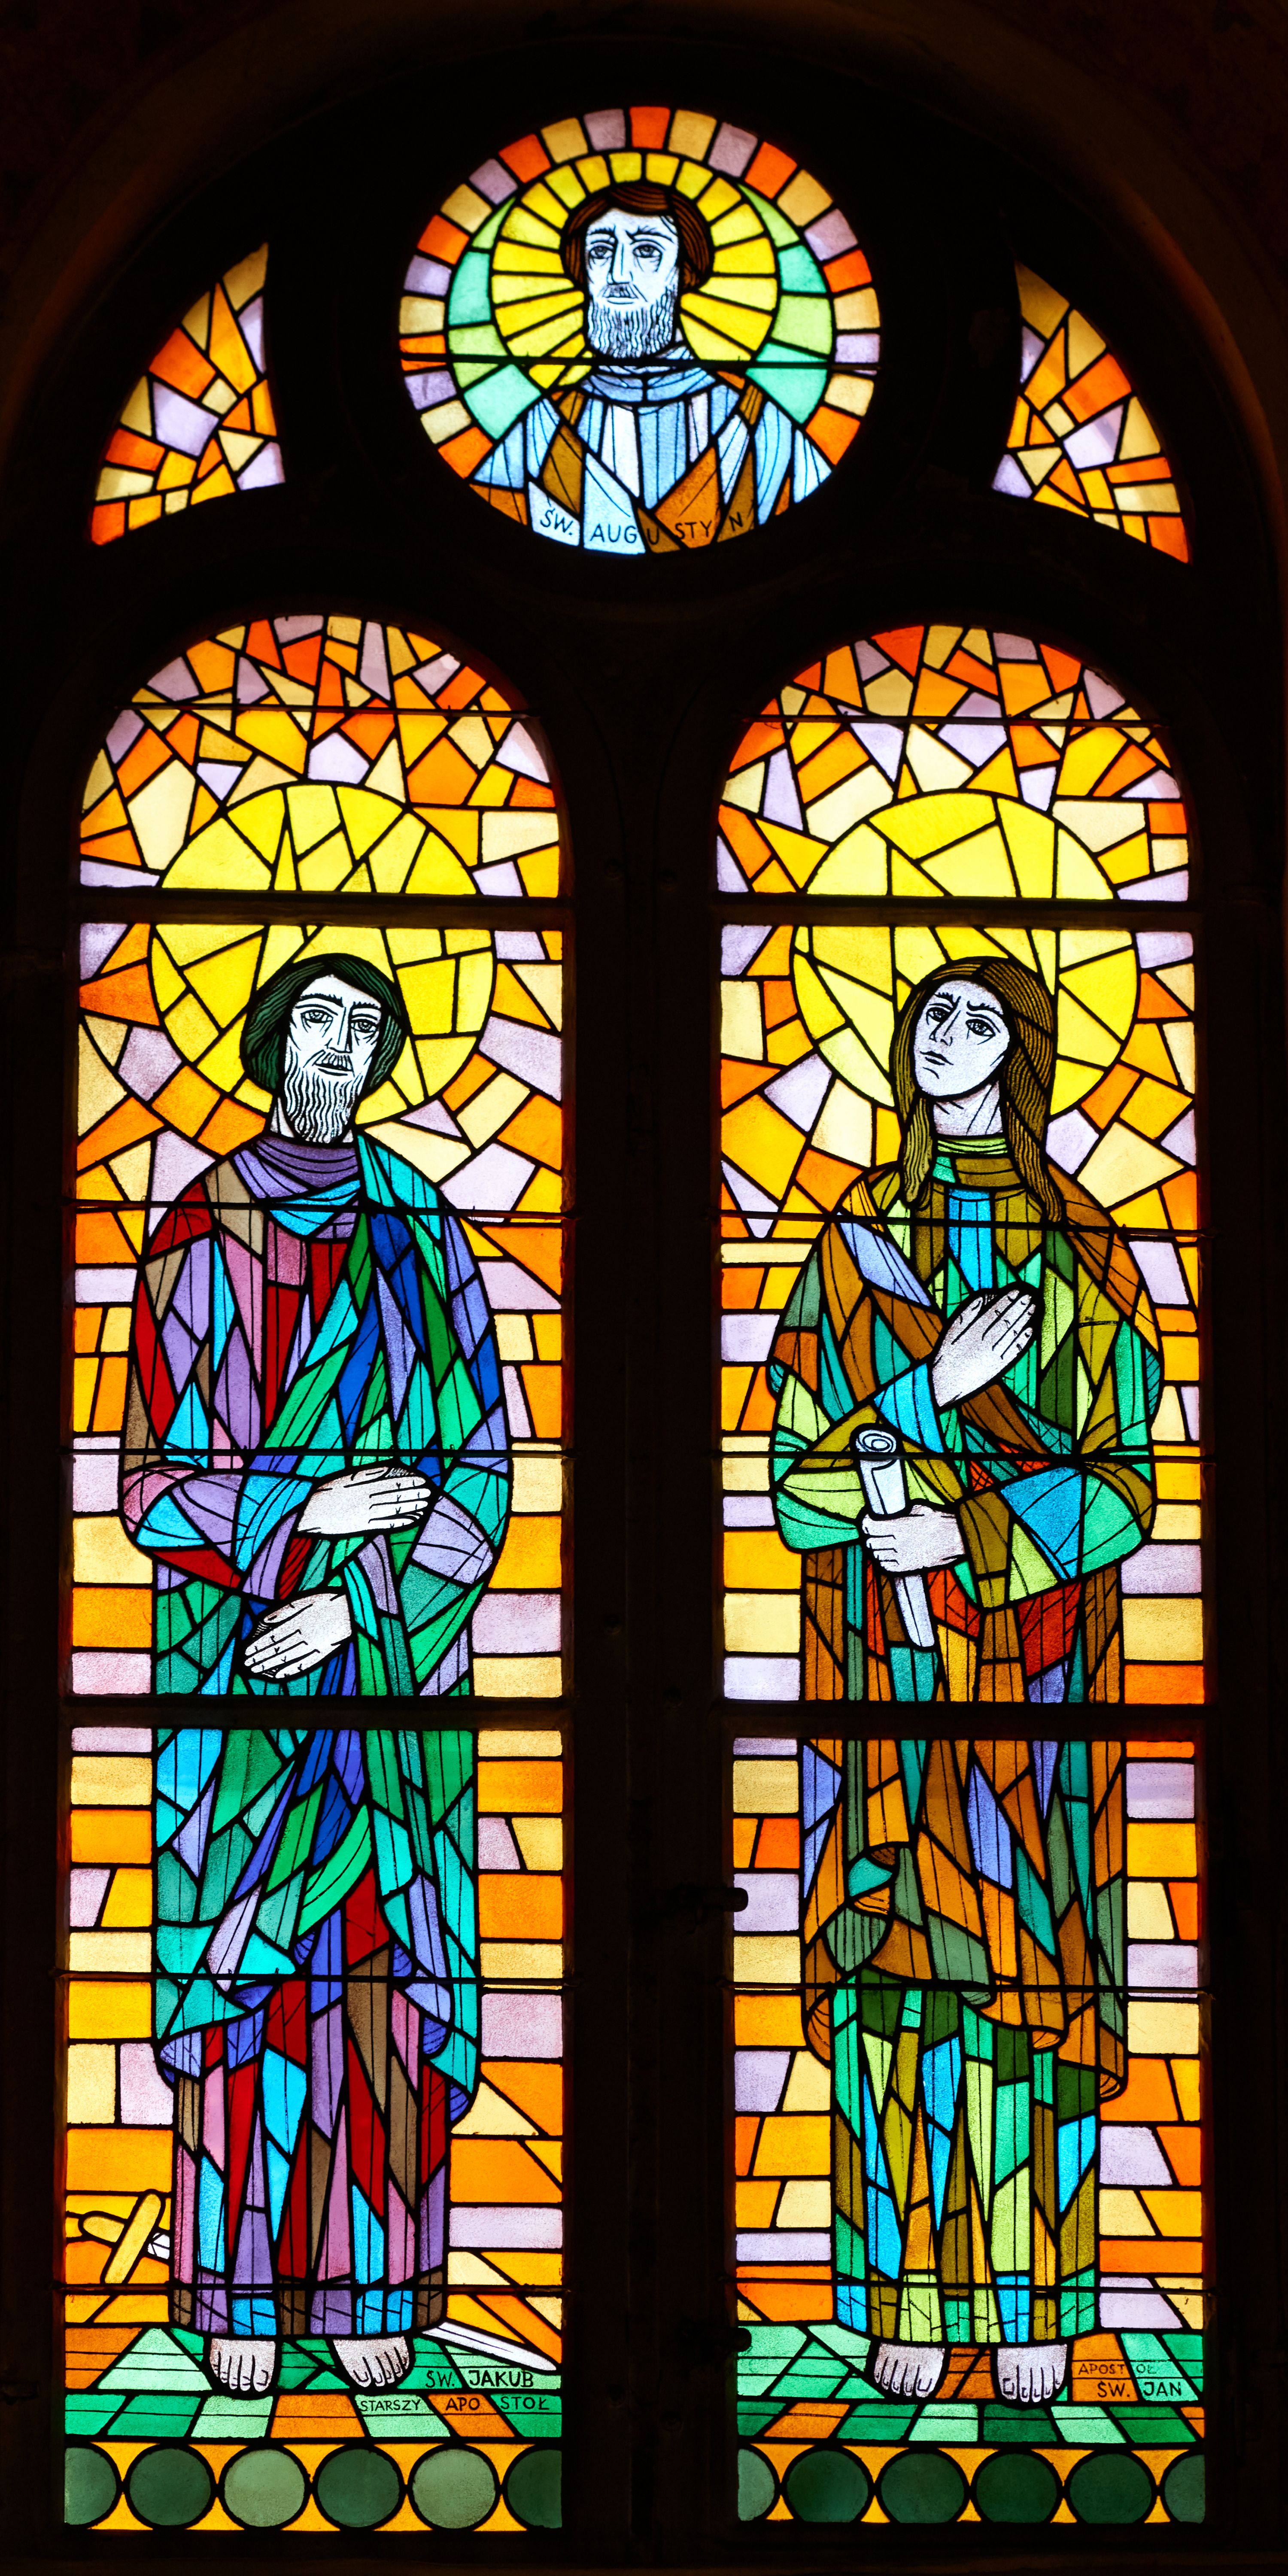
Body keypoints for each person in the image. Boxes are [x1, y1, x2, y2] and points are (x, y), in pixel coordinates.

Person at [768, 958, 1163, 2404]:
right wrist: (921, 1398)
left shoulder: (1088, 1251)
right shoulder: (852, 1241)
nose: (947, 1036)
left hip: (1042, 1691)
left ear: (1026, 1055)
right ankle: (906, 2301)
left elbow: (1128, 1489)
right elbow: (790, 1480)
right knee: (898, 1980)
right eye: (929, 1014)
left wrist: (971, 1537)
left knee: (1029, 1986)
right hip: (881, 1680)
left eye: (980, 1018)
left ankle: (1040, 2303)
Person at [122, 954, 510, 2395]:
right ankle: (233, 2291)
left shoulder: (426, 1235)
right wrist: (304, 1515)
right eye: (317, 1022)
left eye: (365, 1028)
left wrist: (355, 1607)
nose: (340, 1048)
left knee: (381, 1979)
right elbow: (149, 1487)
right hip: (230, 1687)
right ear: (271, 1040)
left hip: (395, 1688)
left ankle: (375, 2289)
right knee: (247, 1981)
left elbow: (481, 1476)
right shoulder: (196, 1227)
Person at [475, 180, 832, 550]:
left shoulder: (762, 426)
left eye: (647, 251)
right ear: (583, 270)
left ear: (683, 271)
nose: (618, 274)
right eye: (600, 251)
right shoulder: (541, 429)